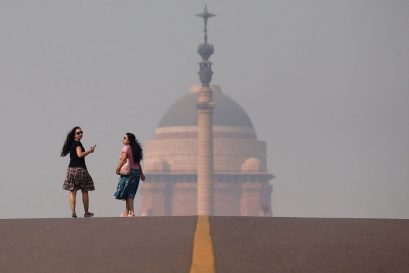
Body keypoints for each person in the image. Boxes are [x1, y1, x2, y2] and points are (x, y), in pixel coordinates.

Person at [61, 126, 96, 218]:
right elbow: (79, 154)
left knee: (72, 191)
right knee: (85, 190)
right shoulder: (77, 144)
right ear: (74, 135)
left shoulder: (72, 144)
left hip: (71, 170)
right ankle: (86, 212)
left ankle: (73, 213)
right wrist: (89, 151)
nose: (80, 134)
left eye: (81, 132)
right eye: (78, 133)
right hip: (80, 169)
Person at [114, 133, 145, 217]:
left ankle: (132, 212)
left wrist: (118, 168)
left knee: (128, 193)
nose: (123, 139)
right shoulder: (136, 149)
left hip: (128, 173)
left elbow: (123, 159)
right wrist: (141, 174)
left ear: (129, 140)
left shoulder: (126, 148)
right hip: (136, 173)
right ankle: (126, 212)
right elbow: (138, 163)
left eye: (125, 138)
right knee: (130, 192)